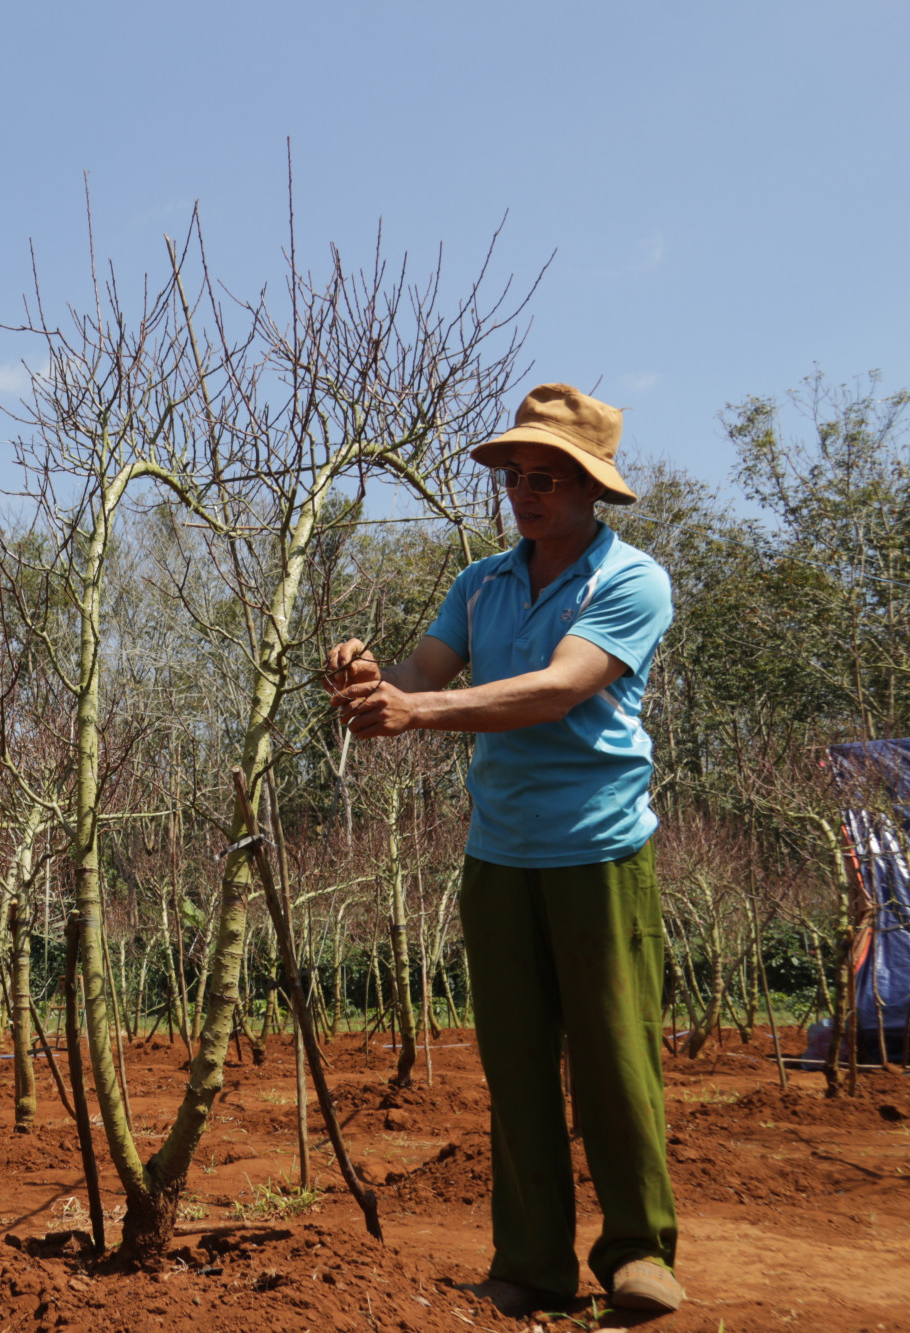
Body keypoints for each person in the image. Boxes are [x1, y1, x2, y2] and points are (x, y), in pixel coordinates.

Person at [324, 383, 683, 1316]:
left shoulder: (630, 581)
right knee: (516, 1064)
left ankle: (640, 1251)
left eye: (549, 478)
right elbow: (417, 675)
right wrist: (369, 684)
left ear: (591, 488)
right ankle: (530, 1264)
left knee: (613, 1057)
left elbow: (558, 688)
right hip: (499, 858)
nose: (526, 493)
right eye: (516, 476)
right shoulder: (479, 583)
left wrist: (417, 712)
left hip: (599, 854)